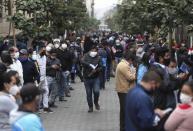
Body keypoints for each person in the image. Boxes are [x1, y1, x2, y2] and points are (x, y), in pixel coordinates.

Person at [115, 51, 136, 131]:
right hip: (124, 90)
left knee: (123, 110)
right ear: (130, 59)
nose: (132, 63)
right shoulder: (124, 65)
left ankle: (123, 127)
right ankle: (124, 127)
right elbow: (130, 77)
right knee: (125, 110)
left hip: (122, 89)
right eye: (131, 61)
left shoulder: (122, 64)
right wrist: (134, 71)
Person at [81, 46, 102, 112]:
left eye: (95, 51)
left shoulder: (98, 57)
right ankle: (90, 106)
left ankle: (96, 102)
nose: (94, 52)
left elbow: (101, 67)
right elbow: (81, 61)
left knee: (96, 91)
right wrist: (89, 65)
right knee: (88, 93)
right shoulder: (85, 56)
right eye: (92, 50)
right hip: (86, 78)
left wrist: (97, 70)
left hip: (95, 78)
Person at [37, 46, 53, 113]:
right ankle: (37, 108)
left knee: (46, 91)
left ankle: (45, 107)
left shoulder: (44, 57)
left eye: (45, 50)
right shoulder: (35, 57)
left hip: (44, 77)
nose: (44, 51)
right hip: (38, 78)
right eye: (43, 50)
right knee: (38, 93)